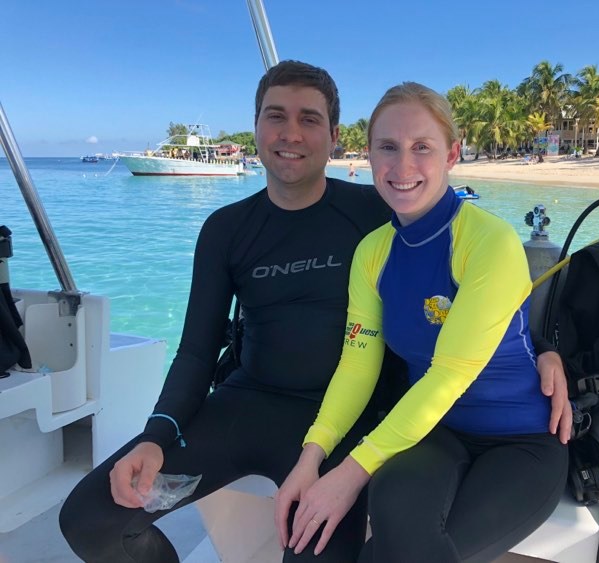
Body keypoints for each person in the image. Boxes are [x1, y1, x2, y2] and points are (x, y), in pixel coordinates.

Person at [59, 63, 570, 563]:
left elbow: (479, 309)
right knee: (88, 518)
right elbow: (197, 350)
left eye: (309, 119)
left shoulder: (384, 208)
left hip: (361, 417)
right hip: (251, 405)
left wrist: (543, 351)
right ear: (256, 127)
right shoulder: (235, 230)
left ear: (334, 137)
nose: (291, 134)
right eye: (275, 116)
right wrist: (156, 435)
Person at [277, 82, 569, 562]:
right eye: (388, 147)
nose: (403, 166)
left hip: (522, 439)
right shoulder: (372, 253)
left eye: (422, 148)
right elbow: (357, 365)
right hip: (434, 433)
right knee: (391, 507)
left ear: (452, 154)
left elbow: (449, 373)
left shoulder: (488, 241)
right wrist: (313, 457)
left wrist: (348, 475)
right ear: (369, 155)